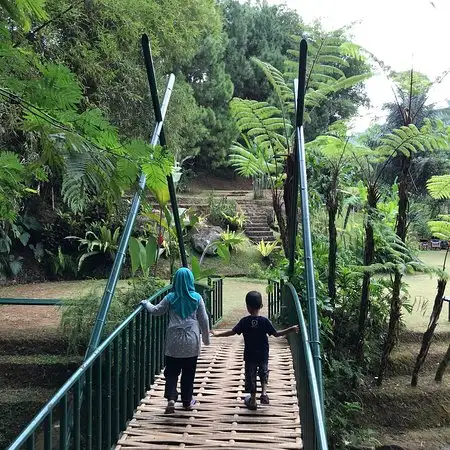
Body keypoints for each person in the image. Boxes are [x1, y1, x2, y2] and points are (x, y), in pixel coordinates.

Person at [212, 290, 298, 410]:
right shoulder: (265, 321)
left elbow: (232, 332)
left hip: (250, 355)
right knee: (263, 372)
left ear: (248, 306)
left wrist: (217, 334)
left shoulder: (244, 322)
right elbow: (277, 334)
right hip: (263, 354)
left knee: (251, 377)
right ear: (261, 306)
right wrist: (291, 329)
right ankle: (264, 393)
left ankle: (252, 400)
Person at [141, 267, 210, 414]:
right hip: (191, 340)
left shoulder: (170, 298)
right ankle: (186, 401)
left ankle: (171, 398)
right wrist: (206, 339)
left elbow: (156, 311)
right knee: (188, 373)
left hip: (174, 340)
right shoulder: (197, 298)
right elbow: (204, 320)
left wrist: (146, 304)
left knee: (171, 372)